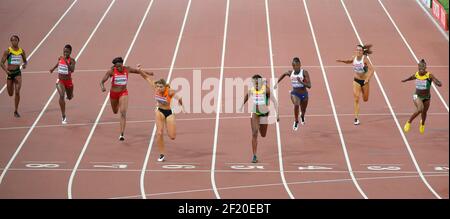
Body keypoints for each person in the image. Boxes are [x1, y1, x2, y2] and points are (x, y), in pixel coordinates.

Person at [138, 64, 184, 162]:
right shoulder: (155, 88)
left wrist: (181, 105)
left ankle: (168, 126)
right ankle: (162, 154)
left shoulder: (170, 91)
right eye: (157, 86)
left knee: (172, 136)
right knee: (159, 133)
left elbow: (179, 98)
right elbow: (146, 77)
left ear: (165, 87)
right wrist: (140, 70)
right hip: (159, 111)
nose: (158, 88)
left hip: (169, 112)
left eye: (160, 87)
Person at [100, 57, 152, 141]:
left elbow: (138, 71)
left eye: (120, 66)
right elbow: (102, 81)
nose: (119, 68)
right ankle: (117, 105)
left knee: (123, 112)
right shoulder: (111, 71)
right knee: (115, 111)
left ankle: (121, 134)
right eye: (117, 67)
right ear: (115, 66)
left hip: (123, 93)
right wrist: (102, 87)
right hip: (113, 94)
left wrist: (148, 73)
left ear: (122, 64)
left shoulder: (127, 69)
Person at [240, 74, 279, 163]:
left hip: (264, 114)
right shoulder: (252, 90)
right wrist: (242, 105)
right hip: (255, 113)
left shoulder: (266, 90)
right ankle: (254, 156)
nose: (255, 85)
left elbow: (274, 101)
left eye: (257, 83)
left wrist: (277, 114)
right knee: (254, 133)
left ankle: (262, 125)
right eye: (254, 83)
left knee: (263, 134)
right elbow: (247, 96)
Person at [336, 44, 374, 125]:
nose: (358, 51)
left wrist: (367, 79)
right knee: (356, 98)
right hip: (356, 80)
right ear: (355, 51)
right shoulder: (354, 57)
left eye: (360, 50)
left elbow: (372, 70)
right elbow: (349, 61)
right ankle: (356, 118)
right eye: (357, 50)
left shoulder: (365, 59)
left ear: (362, 52)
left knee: (365, 99)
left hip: (364, 82)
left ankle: (364, 92)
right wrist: (342, 61)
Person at [402, 59, 442, 134]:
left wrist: (438, 83)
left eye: (423, 68)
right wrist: (405, 80)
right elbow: (411, 77)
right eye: (420, 68)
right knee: (420, 108)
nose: (422, 69)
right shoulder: (416, 74)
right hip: (417, 96)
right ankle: (409, 122)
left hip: (427, 98)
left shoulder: (429, 75)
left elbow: (435, 80)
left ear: (425, 68)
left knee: (424, 112)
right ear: (418, 68)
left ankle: (422, 124)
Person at [274, 57, 311, 131]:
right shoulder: (290, 73)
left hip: (304, 94)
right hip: (295, 93)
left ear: (300, 65)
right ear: (292, 66)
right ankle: (296, 121)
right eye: (294, 65)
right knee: (296, 104)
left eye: (297, 65)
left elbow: (309, 86)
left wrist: (301, 82)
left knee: (303, 110)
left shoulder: (304, 73)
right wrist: (276, 83)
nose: (296, 67)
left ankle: (302, 116)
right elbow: (284, 74)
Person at [1, 35, 27, 117]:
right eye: (12, 40)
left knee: (17, 92)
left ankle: (16, 111)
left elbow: (25, 61)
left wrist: (24, 65)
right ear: (11, 41)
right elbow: (1, 63)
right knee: (10, 93)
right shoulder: (8, 51)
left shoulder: (21, 51)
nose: (14, 42)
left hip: (17, 73)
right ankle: (11, 85)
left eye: (15, 40)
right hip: (10, 73)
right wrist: (6, 71)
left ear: (18, 41)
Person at [50, 44, 76, 124]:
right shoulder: (60, 58)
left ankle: (70, 94)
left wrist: (66, 62)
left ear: (70, 52)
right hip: (60, 80)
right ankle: (63, 116)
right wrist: (53, 68)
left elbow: (72, 70)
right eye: (64, 51)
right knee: (61, 95)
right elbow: (58, 63)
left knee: (69, 97)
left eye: (67, 52)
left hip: (68, 81)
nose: (65, 53)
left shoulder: (72, 60)